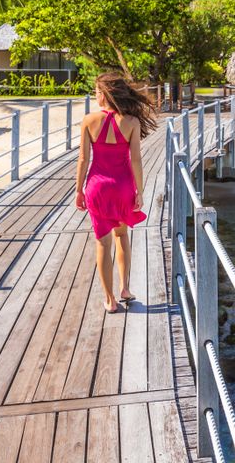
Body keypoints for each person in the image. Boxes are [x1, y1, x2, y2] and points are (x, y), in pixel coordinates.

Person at [75, 74, 157, 313]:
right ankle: (125, 288)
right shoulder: (131, 122)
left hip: (97, 187)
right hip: (122, 187)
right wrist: (139, 192)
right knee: (122, 236)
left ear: (104, 94)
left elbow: (83, 159)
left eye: (96, 91)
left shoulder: (89, 120)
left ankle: (110, 300)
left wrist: (78, 190)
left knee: (102, 243)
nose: (95, 95)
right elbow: (136, 160)